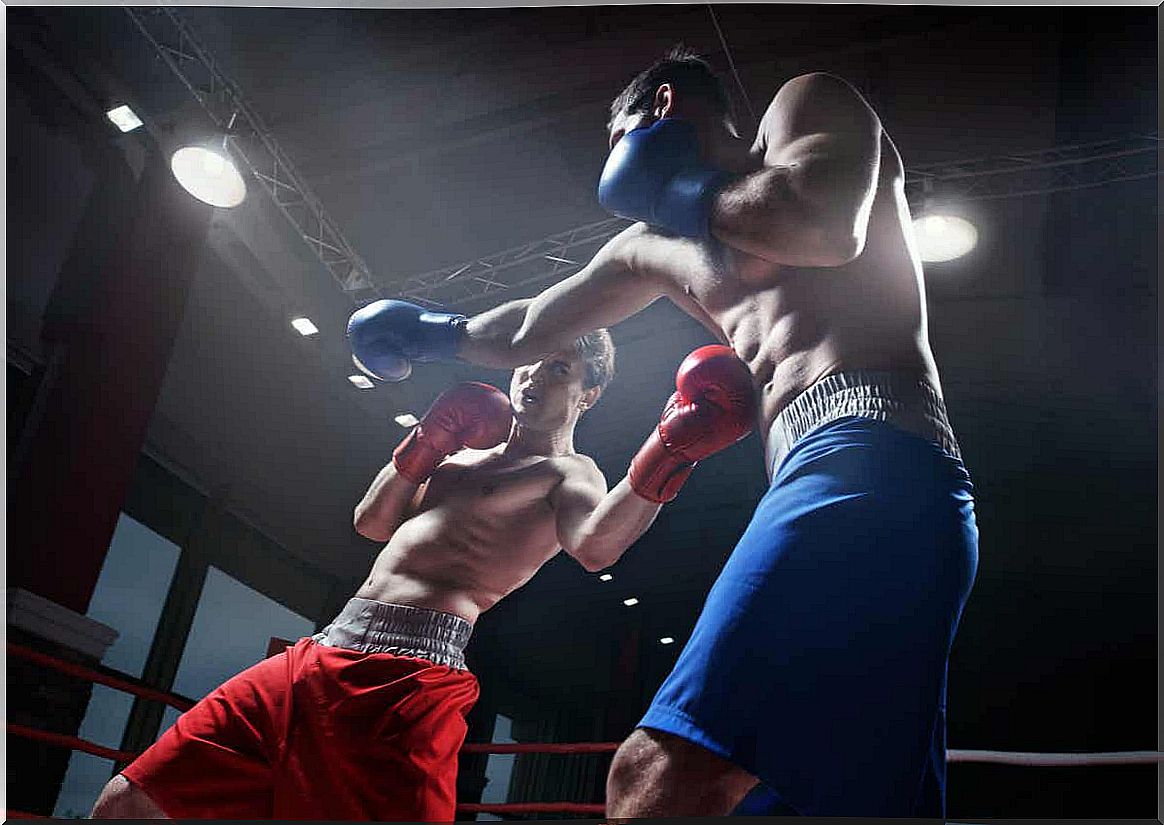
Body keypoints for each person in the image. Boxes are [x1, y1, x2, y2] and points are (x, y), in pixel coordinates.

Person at [343, 48, 979, 818]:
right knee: (842, 801)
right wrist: (429, 330)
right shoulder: (652, 245)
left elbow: (822, 225)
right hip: (833, 474)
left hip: (872, 451)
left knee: (655, 782)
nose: (616, 172)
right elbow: (527, 325)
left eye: (617, 141)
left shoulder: (806, 106)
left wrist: (675, 183)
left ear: (662, 108)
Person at [89, 329, 756, 820]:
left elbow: (597, 546)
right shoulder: (460, 455)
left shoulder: (569, 474)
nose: (533, 376)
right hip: (319, 653)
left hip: (407, 677)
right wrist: (431, 437)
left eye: (559, 367)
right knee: (129, 803)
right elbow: (371, 521)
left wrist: (669, 451)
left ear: (590, 391)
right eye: (531, 361)